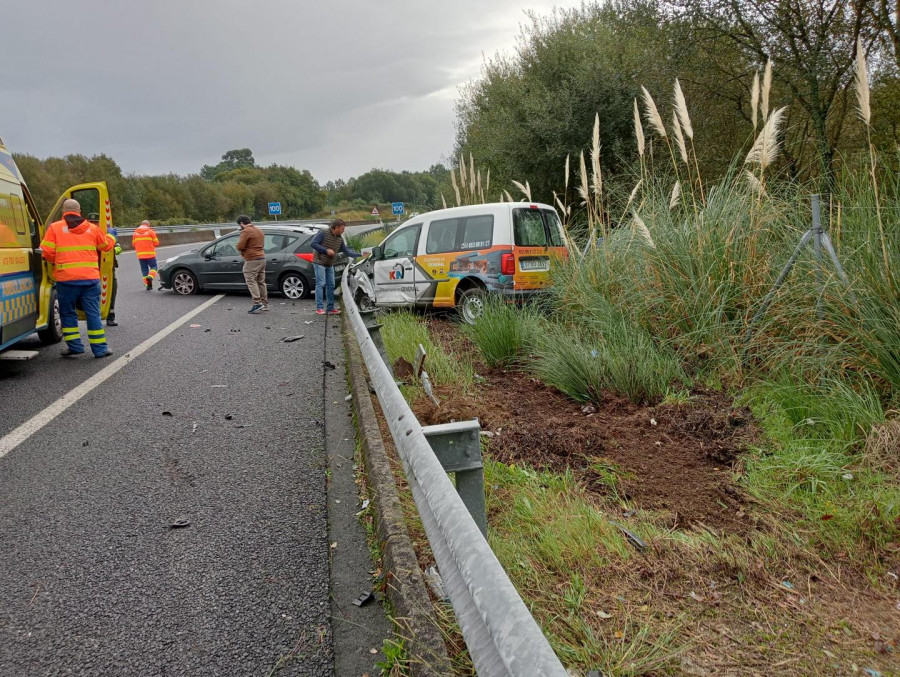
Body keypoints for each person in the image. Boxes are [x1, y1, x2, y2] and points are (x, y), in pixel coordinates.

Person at [40, 198, 116, 358]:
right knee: (93, 314)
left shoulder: (55, 228)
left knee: (67, 314)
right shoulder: (92, 228)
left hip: (66, 281)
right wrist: (112, 236)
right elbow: (105, 246)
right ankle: (100, 350)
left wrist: (58, 260)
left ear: (63, 212)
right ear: (79, 212)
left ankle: (75, 347)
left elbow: (46, 252)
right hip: (90, 280)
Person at [309, 218, 362, 315]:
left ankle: (330, 308)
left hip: (330, 263)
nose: (343, 230)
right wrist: (326, 250)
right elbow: (313, 243)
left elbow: (347, 252)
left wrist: (361, 254)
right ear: (336, 227)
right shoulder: (323, 232)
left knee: (331, 285)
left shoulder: (340, 239)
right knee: (321, 283)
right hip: (319, 261)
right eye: (342, 228)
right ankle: (319, 307)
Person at [235, 215, 268, 314]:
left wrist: (238, 247)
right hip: (262, 258)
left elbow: (240, 246)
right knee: (261, 281)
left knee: (250, 280)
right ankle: (264, 303)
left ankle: (257, 302)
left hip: (252, 259)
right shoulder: (259, 230)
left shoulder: (246, 231)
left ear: (241, 223)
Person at [132, 219, 160, 290]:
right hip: (150, 255)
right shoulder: (151, 231)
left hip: (140, 255)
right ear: (148, 225)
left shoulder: (135, 233)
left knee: (144, 270)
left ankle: (148, 286)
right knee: (154, 267)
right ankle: (150, 277)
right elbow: (156, 243)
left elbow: (133, 244)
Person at [106, 226, 123, 326]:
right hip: (93, 269)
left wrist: (113, 250)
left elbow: (119, 248)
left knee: (112, 291)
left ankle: (110, 317)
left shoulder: (109, 234)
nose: (94, 224)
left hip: (108, 268)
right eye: (92, 222)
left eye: (96, 222)